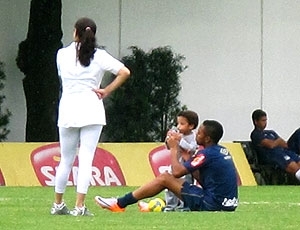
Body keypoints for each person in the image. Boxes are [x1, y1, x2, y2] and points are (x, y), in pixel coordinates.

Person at [50, 17, 130, 216]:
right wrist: (106, 90)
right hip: (91, 108)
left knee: (66, 159)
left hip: (68, 108)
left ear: (75, 32)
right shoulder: (99, 55)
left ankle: (58, 204)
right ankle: (79, 206)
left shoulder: (61, 54)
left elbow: (62, 76)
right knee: (86, 159)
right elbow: (124, 72)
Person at [95, 120, 238, 212]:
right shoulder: (219, 150)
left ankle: (119, 203)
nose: (196, 136)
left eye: (199, 133)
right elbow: (205, 180)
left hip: (212, 204)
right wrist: (186, 157)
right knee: (171, 181)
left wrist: (174, 148)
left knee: (165, 178)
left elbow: (176, 173)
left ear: (207, 138)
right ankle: (149, 205)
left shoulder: (206, 154)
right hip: (228, 204)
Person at [163, 110, 199, 212]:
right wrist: (169, 139)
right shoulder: (179, 134)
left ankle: (185, 206)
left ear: (191, 126)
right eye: (178, 123)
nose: (178, 127)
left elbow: (191, 149)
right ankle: (170, 206)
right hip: (175, 164)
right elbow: (169, 147)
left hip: (186, 167)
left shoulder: (193, 137)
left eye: (182, 124)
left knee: (185, 187)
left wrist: (180, 140)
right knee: (169, 185)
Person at [250, 109, 300, 182]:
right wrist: (278, 141)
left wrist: (277, 142)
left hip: (283, 151)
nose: (265, 123)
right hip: (272, 155)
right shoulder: (256, 134)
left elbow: (284, 144)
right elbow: (271, 145)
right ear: (256, 122)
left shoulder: (271, 132)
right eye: (263, 120)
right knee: (293, 166)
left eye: (266, 120)